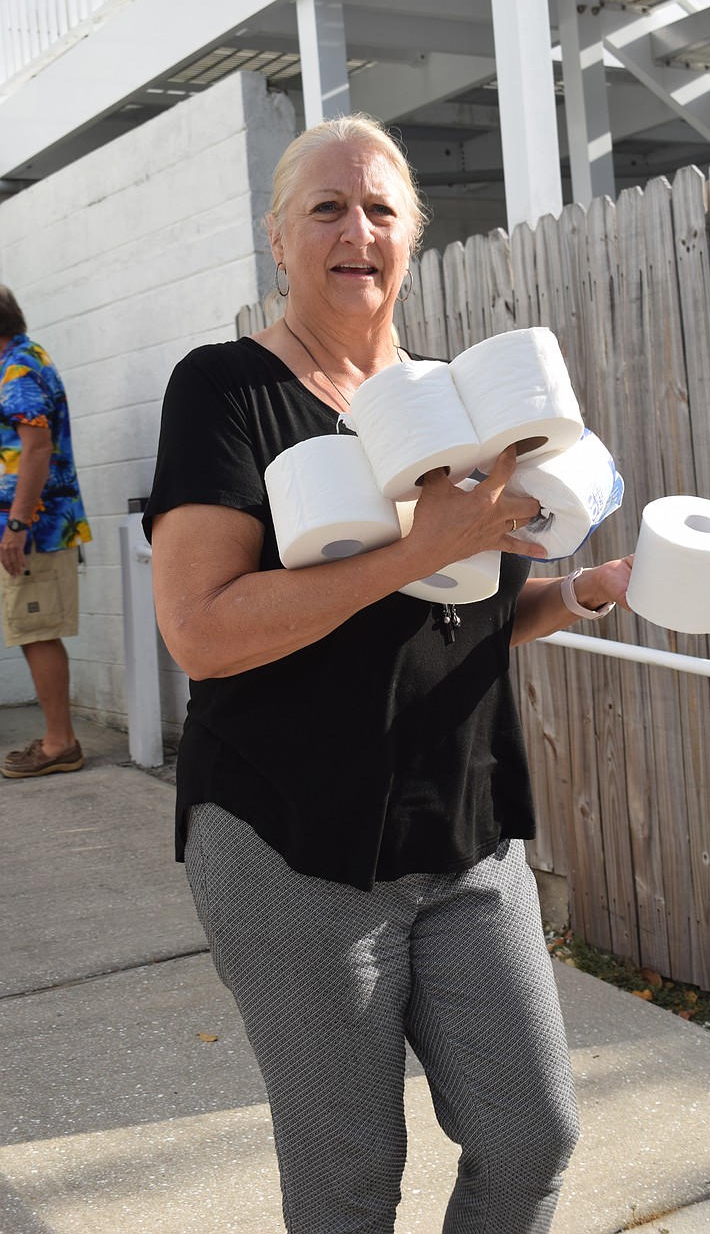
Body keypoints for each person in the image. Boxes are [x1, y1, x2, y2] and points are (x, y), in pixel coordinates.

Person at [143, 113, 633, 1234]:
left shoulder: (453, 407)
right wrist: (417, 545)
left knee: (531, 1134)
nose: (354, 229)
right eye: (326, 207)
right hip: (290, 845)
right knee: (350, 1176)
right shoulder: (224, 391)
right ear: (279, 238)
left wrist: (573, 593)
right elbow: (202, 632)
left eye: (378, 209)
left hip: (464, 837)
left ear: (412, 234)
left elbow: (444, 628)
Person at [0, 286, 91, 779]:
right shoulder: (22, 359)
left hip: (36, 531)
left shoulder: (17, 371)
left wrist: (16, 525)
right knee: (32, 630)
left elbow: (36, 449)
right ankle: (59, 738)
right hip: (34, 527)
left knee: (37, 632)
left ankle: (61, 743)